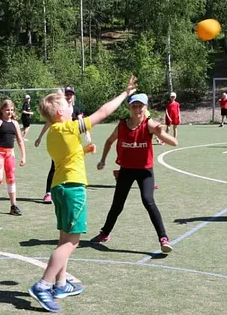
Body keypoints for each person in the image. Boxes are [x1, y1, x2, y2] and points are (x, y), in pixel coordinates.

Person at [27, 76, 137, 313]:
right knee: (72, 242)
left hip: (59, 187)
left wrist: (85, 149)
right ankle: (43, 285)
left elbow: (67, 155)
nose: (71, 106)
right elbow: (103, 112)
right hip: (73, 188)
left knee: (64, 238)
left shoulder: (54, 132)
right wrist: (124, 94)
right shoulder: (68, 127)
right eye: (67, 105)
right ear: (59, 113)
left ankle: (60, 283)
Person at [91, 93, 178, 253]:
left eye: (141, 106)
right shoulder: (122, 125)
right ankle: (104, 233)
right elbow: (109, 141)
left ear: (146, 108)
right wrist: (102, 160)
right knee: (117, 204)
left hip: (145, 171)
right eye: (134, 106)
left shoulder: (149, 125)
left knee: (148, 200)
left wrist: (160, 133)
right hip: (126, 170)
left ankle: (163, 238)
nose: (137, 109)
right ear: (129, 107)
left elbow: (174, 142)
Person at [35, 86, 93, 204]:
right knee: (54, 167)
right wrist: (40, 137)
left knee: (71, 164)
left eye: (71, 94)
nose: (69, 96)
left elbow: (82, 121)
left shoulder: (75, 110)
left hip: (71, 142)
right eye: (67, 94)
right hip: (60, 141)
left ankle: (65, 186)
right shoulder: (58, 109)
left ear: (73, 96)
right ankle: (49, 192)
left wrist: (87, 134)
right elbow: (48, 123)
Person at [0, 99, 26, 216]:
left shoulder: (15, 123)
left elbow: (19, 140)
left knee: (11, 179)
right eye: (7, 109)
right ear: (2, 110)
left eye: (11, 110)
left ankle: (13, 206)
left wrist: (23, 156)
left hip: (10, 154)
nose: (9, 112)